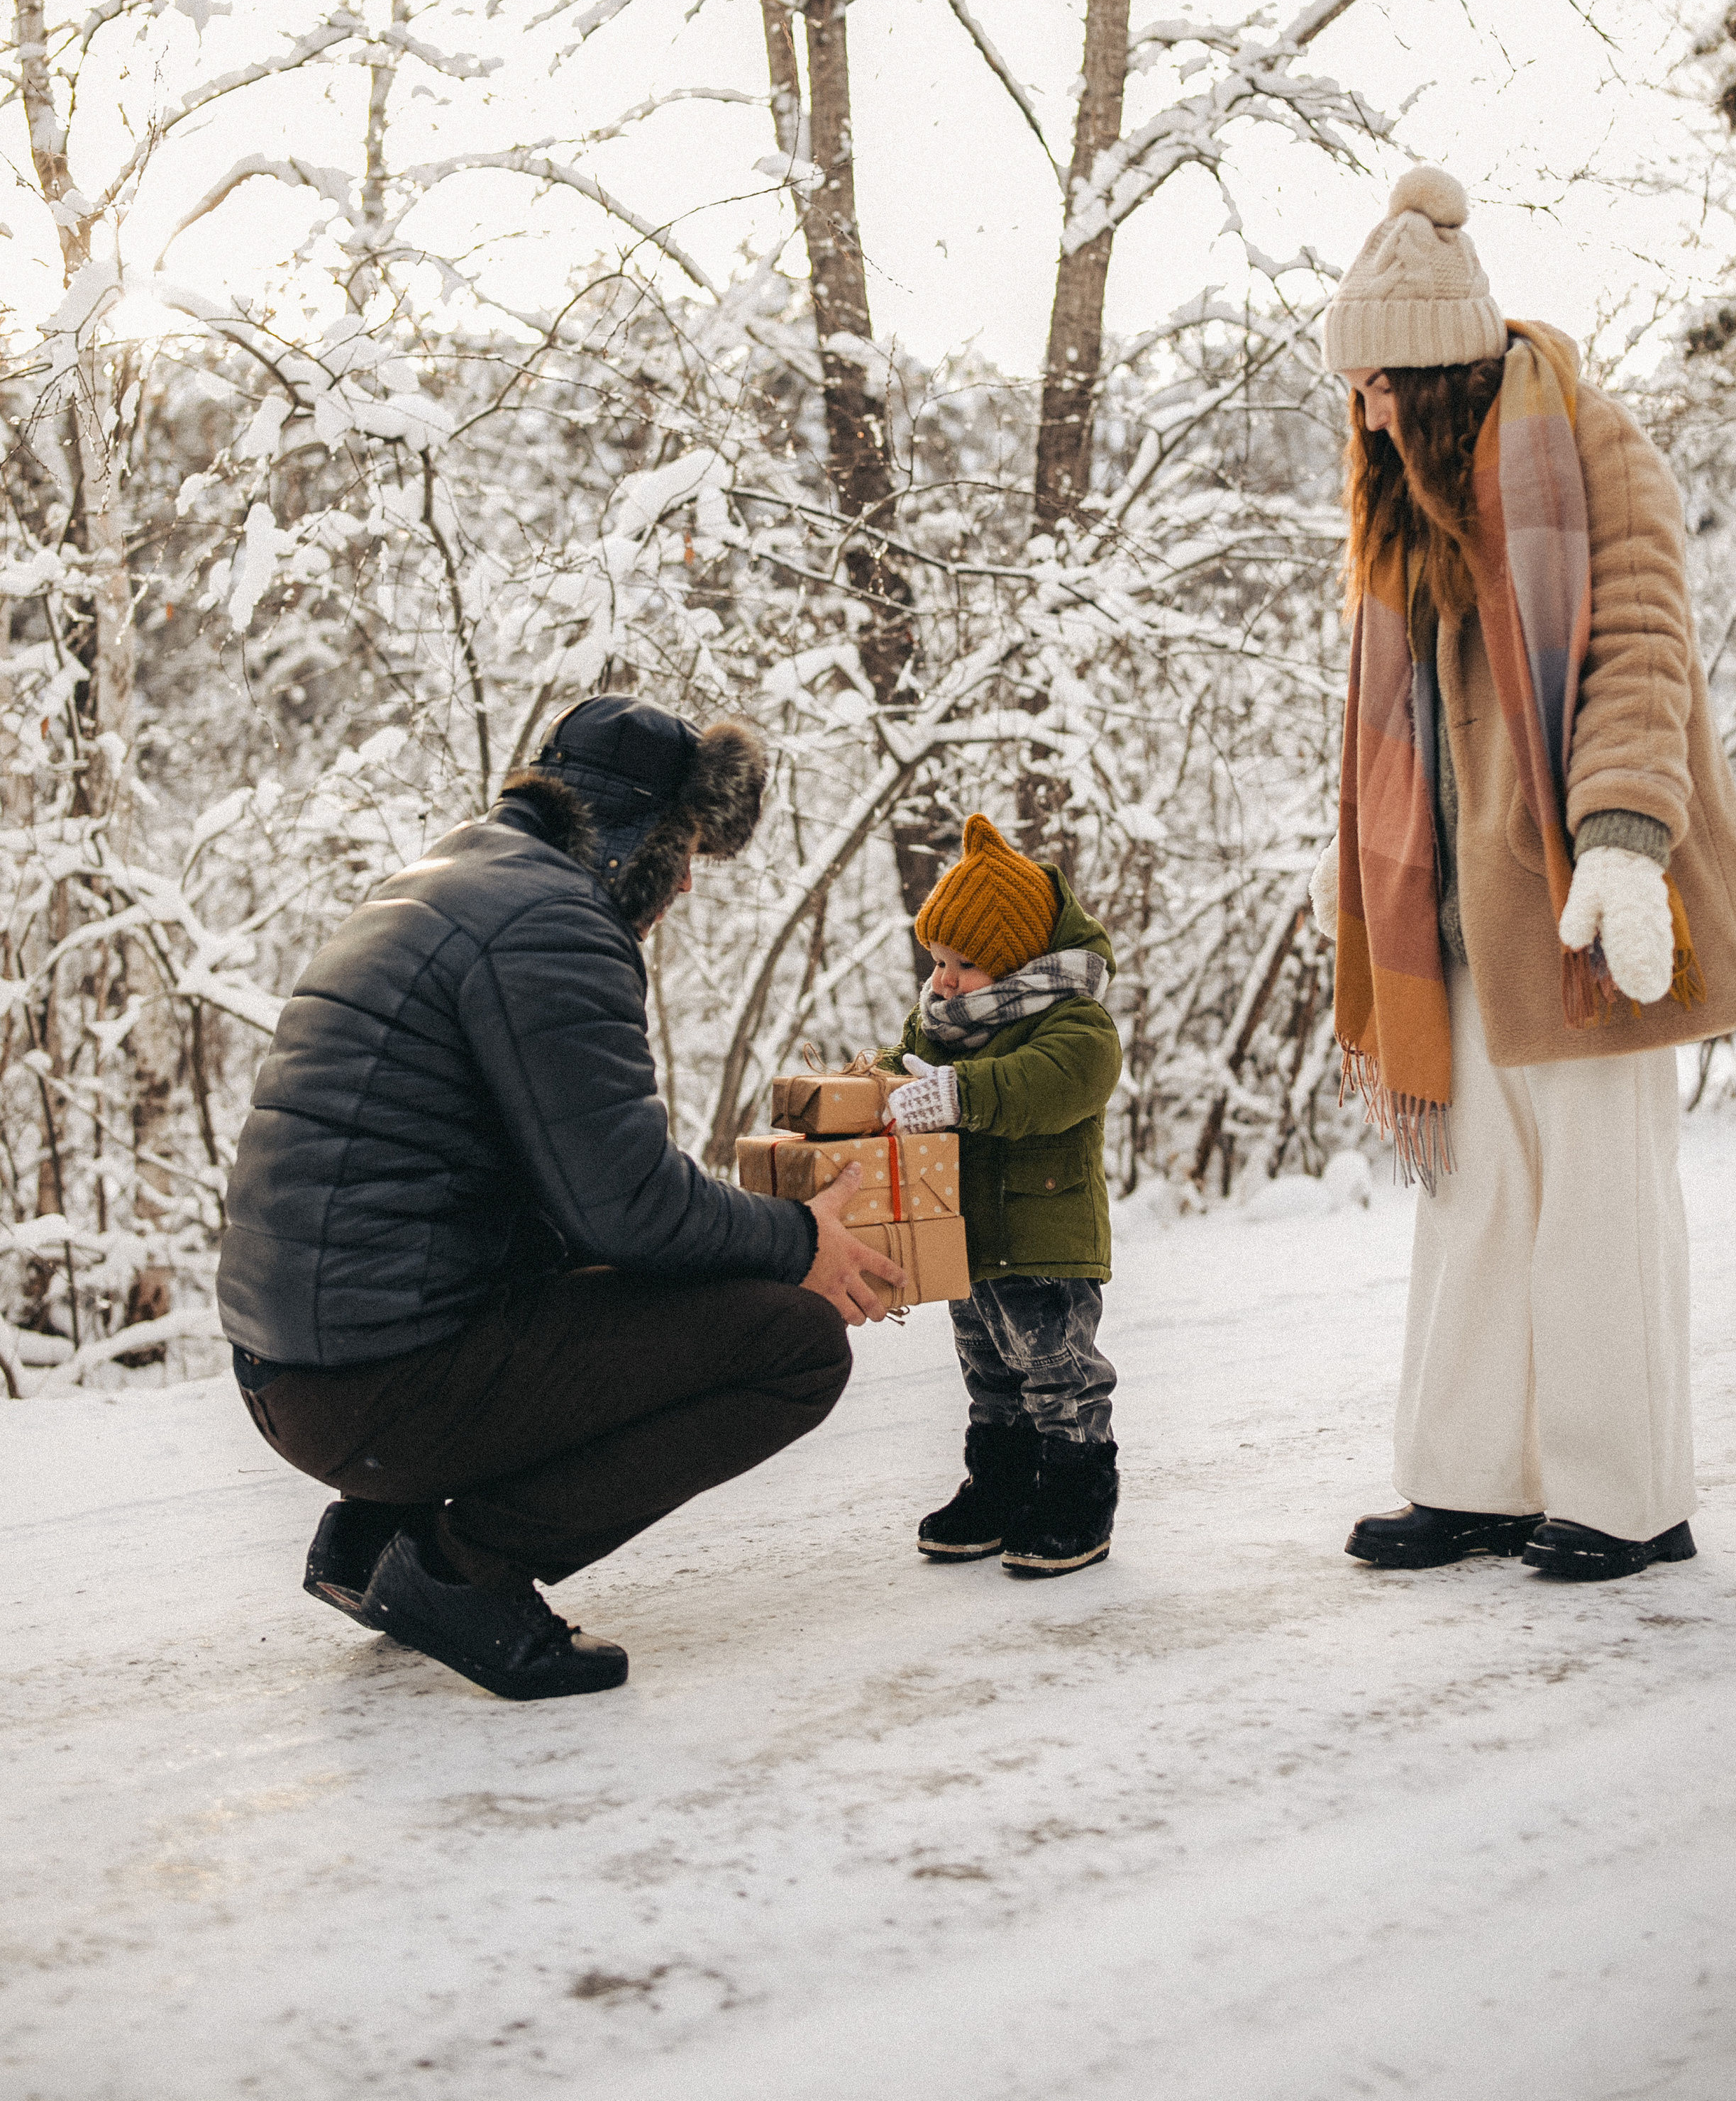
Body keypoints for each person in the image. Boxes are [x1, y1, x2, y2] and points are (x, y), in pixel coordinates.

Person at [216, 696, 903, 1700]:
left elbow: (568, 1195)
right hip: (371, 1389)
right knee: (794, 1345)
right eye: (685, 853)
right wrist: (801, 1240)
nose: (682, 889)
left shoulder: (447, 883)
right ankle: (460, 1570)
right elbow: (628, 1206)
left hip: (296, 1373)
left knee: (633, 1275)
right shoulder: (553, 925)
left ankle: (378, 1537)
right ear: (642, 839)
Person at [1310, 165, 1736, 1582]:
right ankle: (1473, 1481)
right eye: (1355, 390)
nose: (1364, 414)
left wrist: (1624, 842)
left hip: (1582, 899)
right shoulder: (1406, 506)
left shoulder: (1585, 446)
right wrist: (1369, 881)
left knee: (1597, 1209)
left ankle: (1625, 1498)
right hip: (1459, 917)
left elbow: (1638, 645)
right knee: (1473, 1204)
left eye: (1380, 386)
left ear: (1439, 373)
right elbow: (1395, 725)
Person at [875, 813, 1124, 1578]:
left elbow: (1047, 1084)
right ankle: (1001, 1485)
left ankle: (1076, 1495)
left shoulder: (1077, 1024)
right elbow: (897, 1074)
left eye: (966, 963)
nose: (944, 981)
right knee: (988, 1372)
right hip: (968, 1241)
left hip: (1045, 1242)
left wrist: (957, 1094)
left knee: (1057, 1372)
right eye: (938, 960)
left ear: (1019, 962)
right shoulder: (938, 1028)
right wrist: (867, 1091)